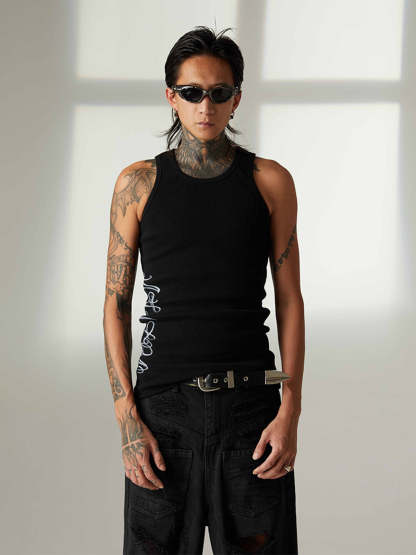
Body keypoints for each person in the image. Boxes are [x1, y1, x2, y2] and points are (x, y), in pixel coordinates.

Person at [103, 25, 304, 555]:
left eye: (219, 92)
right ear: (172, 96)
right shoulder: (138, 184)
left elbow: (289, 300)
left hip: (251, 409)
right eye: (192, 92)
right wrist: (126, 418)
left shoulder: (269, 181)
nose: (205, 106)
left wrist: (290, 409)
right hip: (163, 411)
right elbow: (115, 304)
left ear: (237, 98)